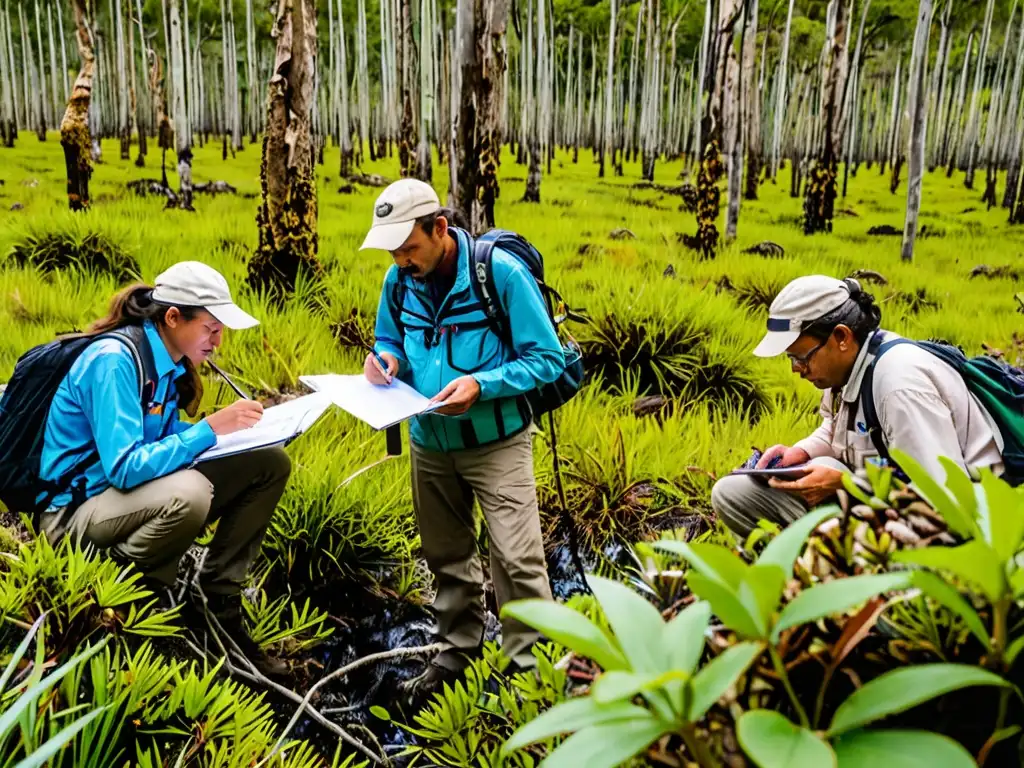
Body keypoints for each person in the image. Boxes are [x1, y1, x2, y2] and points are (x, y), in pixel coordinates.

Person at [37, 261, 292, 676]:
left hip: (118, 500)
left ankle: (218, 603)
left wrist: (239, 438)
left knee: (268, 464)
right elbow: (123, 466)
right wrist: (208, 430)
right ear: (173, 318)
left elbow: (162, 438)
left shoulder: (167, 365)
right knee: (190, 493)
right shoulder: (115, 361)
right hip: (73, 513)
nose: (218, 341)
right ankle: (128, 599)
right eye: (210, 328)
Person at [360, 179, 563, 696]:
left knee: (518, 561)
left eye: (410, 247)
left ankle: (530, 672)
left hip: (497, 443)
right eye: (393, 249)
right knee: (445, 554)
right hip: (429, 441)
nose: (401, 259)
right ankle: (457, 654)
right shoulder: (398, 280)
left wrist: (482, 384)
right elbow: (390, 335)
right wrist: (387, 360)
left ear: (440, 229)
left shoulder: (500, 274)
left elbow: (547, 359)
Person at [711, 275, 1004, 541]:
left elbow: (943, 493)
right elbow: (836, 427)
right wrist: (801, 453)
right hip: (890, 503)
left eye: (802, 357)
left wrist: (845, 483)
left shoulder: (899, 386)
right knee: (731, 493)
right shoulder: (849, 368)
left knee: (830, 479)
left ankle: (842, 583)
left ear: (841, 337)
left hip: (962, 529)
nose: (796, 369)